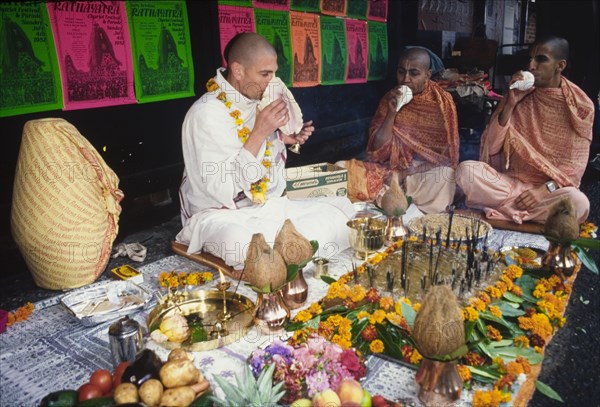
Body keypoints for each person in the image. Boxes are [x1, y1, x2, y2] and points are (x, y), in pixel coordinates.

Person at [176, 33, 355, 270]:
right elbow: (220, 188)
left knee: (341, 206)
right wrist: (260, 133)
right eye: (264, 74)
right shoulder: (206, 114)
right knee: (240, 244)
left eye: (274, 73)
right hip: (220, 215)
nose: (272, 82)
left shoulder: (257, 102)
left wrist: (284, 138)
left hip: (266, 206)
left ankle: (282, 258)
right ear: (238, 71)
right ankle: (285, 255)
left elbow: (268, 173)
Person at [455, 36, 594, 224]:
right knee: (467, 171)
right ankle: (524, 216)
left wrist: (543, 191)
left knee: (578, 202)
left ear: (560, 66)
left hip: (548, 192)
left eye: (541, 59)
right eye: (530, 59)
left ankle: (504, 213)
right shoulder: (522, 95)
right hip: (510, 185)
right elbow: (492, 147)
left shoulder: (580, 107)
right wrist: (511, 104)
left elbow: (572, 175)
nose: (531, 66)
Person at [342, 47, 459, 214]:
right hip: (388, 172)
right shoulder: (390, 97)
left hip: (419, 176)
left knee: (446, 176)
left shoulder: (442, 103)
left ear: (428, 74)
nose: (405, 79)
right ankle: (395, 201)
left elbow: (445, 158)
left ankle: (390, 201)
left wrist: (407, 172)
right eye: (401, 72)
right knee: (342, 169)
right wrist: (392, 112)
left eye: (414, 73)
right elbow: (377, 150)